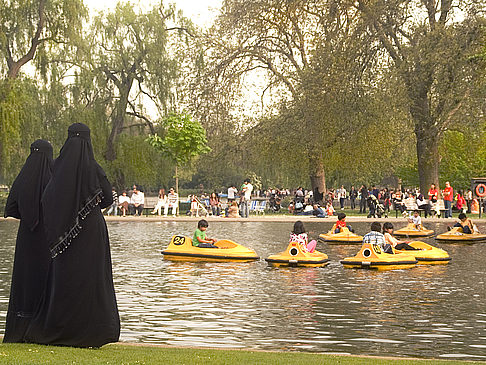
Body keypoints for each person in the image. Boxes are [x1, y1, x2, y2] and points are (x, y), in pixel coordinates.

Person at [25, 123, 120, 348]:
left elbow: (48, 198)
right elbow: (108, 198)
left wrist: (61, 220)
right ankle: (92, 332)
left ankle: (60, 329)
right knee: (91, 278)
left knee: (65, 279)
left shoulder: (57, 167)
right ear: (88, 142)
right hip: (92, 231)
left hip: (64, 233)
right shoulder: (94, 168)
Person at [3, 140, 53, 343]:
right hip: (48, 237)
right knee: (45, 279)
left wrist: (27, 217)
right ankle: (42, 328)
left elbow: (11, 206)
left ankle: (20, 327)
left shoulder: (23, 178)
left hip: (26, 238)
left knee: (24, 280)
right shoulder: (53, 179)